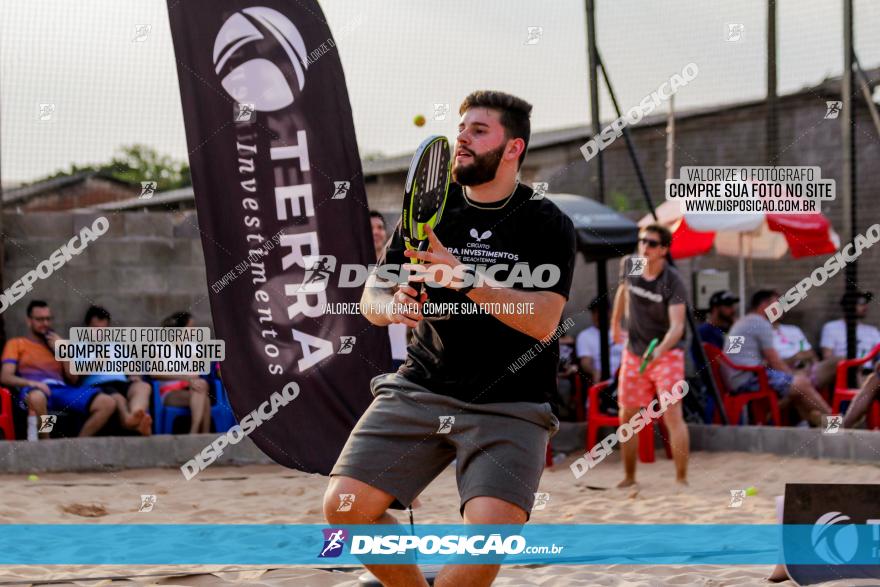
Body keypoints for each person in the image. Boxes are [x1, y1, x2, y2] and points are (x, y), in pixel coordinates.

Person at [324, 90, 575, 587]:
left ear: (513, 149)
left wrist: (466, 279)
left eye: (479, 130)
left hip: (512, 403)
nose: (462, 137)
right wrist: (390, 306)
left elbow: (544, 321)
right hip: (423, 385)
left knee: (486, 543)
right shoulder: (432, 210)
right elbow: (374, 290)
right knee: (344, 508)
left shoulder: (546, 222)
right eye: (462, 127)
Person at [610, 224, 690, 488]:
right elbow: (623, 290)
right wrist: (615, 324)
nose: (645, 246)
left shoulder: (672, 280)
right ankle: (629, 477)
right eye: (642, 241)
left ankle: (681, 480)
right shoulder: (631, 264)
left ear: (664, 250)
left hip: (666, 353)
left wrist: (660, 350)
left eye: (652, 243)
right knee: (627, 415)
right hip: (634, 351)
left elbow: (678, 326)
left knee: (672, 413)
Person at [0, 300, 116, 438]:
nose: (45, 323)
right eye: (40, 319)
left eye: (48, 319)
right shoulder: (17, 344)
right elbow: (5, 377)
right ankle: (47, 443)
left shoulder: (58, 344)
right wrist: (33, 384)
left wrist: (63, 351)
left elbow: (73, 378)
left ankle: (76, 447)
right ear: (29, 321)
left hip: (62, 390)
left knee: (107, 403)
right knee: (37, 398)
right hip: (34, 390)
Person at [724, 290, 831, 426]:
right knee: (801, 383)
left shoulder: (744, 322)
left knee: (795, 387)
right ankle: (835, 420)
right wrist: (793, 378)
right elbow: (775, 361)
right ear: (764, 305)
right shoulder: (760, 324)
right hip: (749, 379)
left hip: (738, 378)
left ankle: (811, 421)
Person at [80, 305, 152, 435]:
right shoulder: (78, 346)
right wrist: (95, 364)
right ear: (87, 327)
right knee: (118, 397)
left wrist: (135, 375)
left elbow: (131, 366)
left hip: (122, 383)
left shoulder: (115, 346)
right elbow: (74, 376)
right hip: (98, 385)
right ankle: (129, 421)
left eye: (103, 329)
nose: (99, 334)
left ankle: (137, 416)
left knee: (143, 386)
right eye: (95, 329)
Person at [153, 311, 211, 434]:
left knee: (201, 387)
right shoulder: (159, 346)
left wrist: (187, 380)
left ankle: (194, 433)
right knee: (204, 398)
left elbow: (196, 373)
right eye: (191, 328)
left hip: (191, 389)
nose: (194, 331)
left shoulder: (194, 347)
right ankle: (203, 435)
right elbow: (155, 373)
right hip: (169, 392)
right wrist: (184, 376)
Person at [371, 210, 409, 370]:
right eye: (370, 227)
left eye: (380, 227)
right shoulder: (352, 270)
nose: (376, 232)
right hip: (366, 352)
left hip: (398, 352)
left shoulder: (400, 265)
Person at [820, 291, 880, 369]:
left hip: (868, 373)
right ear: (849, 306)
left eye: (865, 303)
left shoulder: (872, 331)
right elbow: (827, 357)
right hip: (842, 371)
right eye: (861, 304)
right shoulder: (831, 327)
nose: (865, 307)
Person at [576, 296, 624, 385]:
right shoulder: (585, 336)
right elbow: (585, 362)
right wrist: (594, 372)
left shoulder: (623, 334)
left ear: (610, 312)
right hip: (602, 382)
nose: (597, 315)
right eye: (594, 312)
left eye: (601, 311)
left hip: (624, 380)